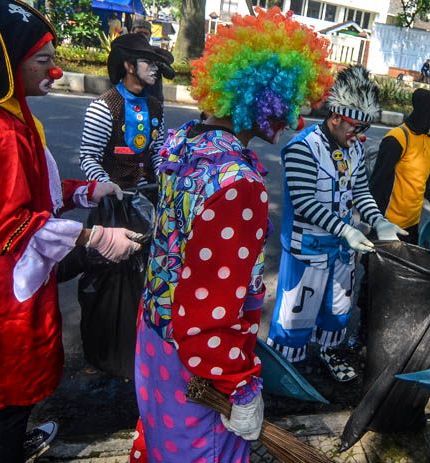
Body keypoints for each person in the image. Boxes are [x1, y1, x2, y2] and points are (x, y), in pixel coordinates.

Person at [0, 1, 140, 461]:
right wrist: (95, 238)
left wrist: (87, 190)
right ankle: (4, 450)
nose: (56, 71)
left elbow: (33, 189)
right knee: (8, 393)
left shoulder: (6, 115)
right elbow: (11, 226)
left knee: (3, 396)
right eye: (44, 61)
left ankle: (3, 443)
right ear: (8, 65)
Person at [128, 7, 332, 463]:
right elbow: (208, 308)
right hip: (198, 367)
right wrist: (238, 389)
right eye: (292, 103)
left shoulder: (183, 143)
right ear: (264, 99)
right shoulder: (238, 183)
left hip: (155, 341)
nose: (296, 119)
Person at [266, 65, 407, 382]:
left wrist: (378, 221)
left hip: (344, 249)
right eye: (355, 128)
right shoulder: (302, 148)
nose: (360, 136)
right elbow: (304, 201)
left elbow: (360, 191)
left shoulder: (354, 147)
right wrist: (345, 229)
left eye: (363, 129)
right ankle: (287, 366)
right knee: (297, 311)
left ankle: (329, 351)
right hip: (309, 248)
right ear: (335, 118)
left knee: (337, 306)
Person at [353, 89, 430, 345]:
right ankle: (364, 334)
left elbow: (425, 178)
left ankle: (386, 328)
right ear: (427, 115)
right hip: (387, 225)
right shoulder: (397, 139)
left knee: (400, 280)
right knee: (375, 281)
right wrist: (377, 223)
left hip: (411, 224)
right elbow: (376, 186)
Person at [79, 33, 173, 191]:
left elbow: (156, 151)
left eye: (155, 63)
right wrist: (107, 185)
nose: (155, 68)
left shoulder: (156, 106)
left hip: (149, 196)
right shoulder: (102, 107)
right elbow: (89, 156)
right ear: (129, 66)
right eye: (148, 62)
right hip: (114, 202)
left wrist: (165, 177)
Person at [130, 17, 174, 104]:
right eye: (139, 33)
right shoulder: (125, 52)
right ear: (132, 33)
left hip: (154, 102)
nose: (142, 36)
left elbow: (171, 74)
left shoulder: (157, 52)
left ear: (150, 35)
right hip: (131, 101)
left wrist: (159, 63)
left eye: (145, 33)